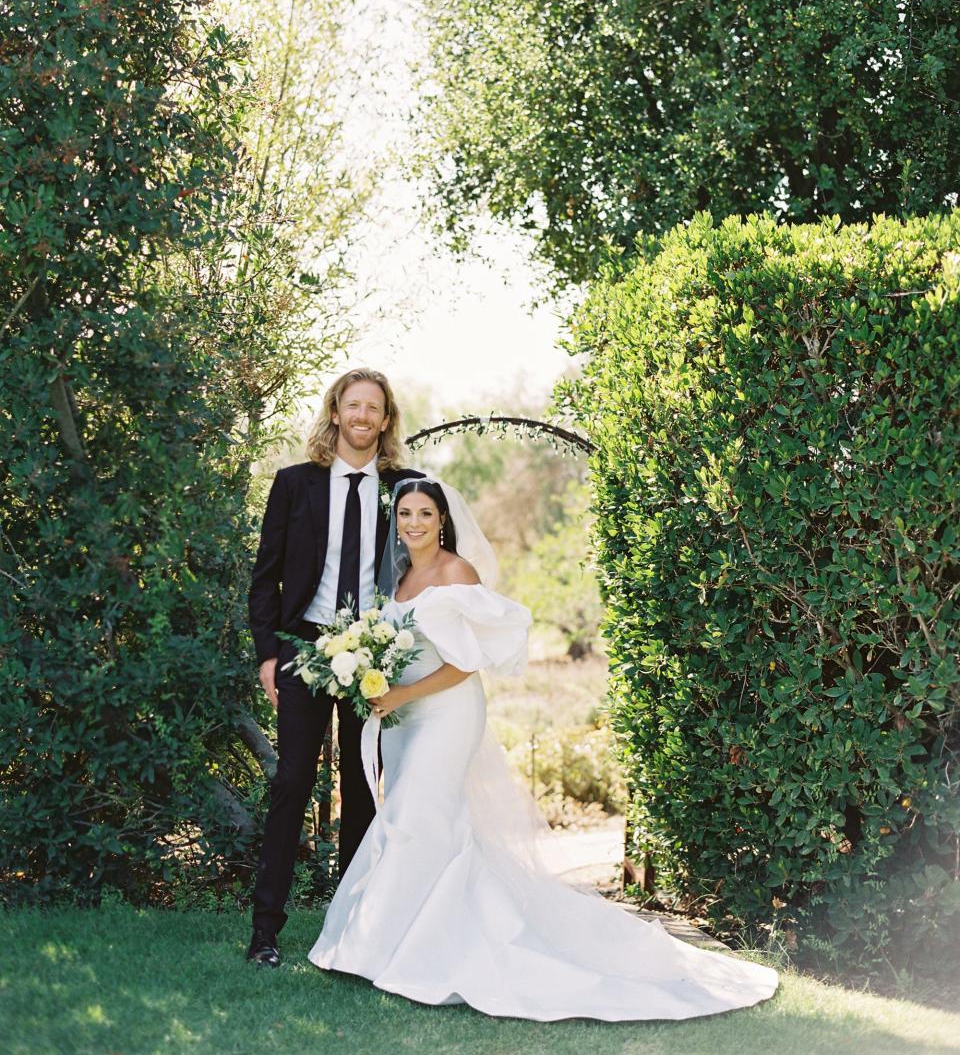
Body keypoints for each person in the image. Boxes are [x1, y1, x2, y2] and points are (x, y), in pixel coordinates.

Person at [308, 478, 779, 1021]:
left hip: (446, 712)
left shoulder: (457, 572)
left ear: (443, 520)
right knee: (419, 819)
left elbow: (467, 663)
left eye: (425, 514)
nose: (414, 523)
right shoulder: (402, 577)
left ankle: (411, 950)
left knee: (419, 813)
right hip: (401, 718)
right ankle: (391, 940)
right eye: (406, 514)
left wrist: (401, 693)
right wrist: (372, 681)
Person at [246, 368, 422, 967]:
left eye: (374, 408)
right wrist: (269, 653)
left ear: (386, 419)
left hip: (372, 653)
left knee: (364, 789)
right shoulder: (295, 484)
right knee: (291, 782)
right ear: (336, 413)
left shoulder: (404, 488)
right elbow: (265, 575)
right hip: (303, 647)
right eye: (354, 406)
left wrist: (404, 649)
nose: (363, 417)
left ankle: (356, 929)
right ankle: (265, 930)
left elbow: (424, 568)